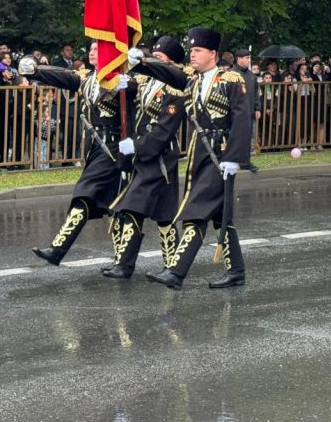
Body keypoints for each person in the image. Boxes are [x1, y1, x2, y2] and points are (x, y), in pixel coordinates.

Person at [134, 27, 252, 290]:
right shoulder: (192, 79)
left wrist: (235, 158)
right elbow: (167, 71)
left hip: (220, 153)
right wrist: (140, 64)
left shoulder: (231, 79)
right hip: (200, 150)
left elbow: (242, 119)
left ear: (213, 53)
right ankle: (236, 272)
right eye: (191, 50)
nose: (193, 55)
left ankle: (176, 271)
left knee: (195, 210)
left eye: (198, 50)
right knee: (220, 216)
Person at [23, 42, 136, 266]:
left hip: (112, 148)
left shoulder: (122, 78)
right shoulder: (87, 79)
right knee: (115, 204)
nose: (92, 53)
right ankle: (123, 261)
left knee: (85, 193)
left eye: (97, 49)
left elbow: (131, 90)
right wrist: (36, 70)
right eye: (91, 49)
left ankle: (58, 249)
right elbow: (63, 77)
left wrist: (124, 84)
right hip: (95, 147)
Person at [102, 36, 189, 280]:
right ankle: (166, 265)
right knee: (164, 214)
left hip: (159, 156)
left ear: (170, 62)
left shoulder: (175, 88)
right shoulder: (146, 81)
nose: (152, 62)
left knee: (133, 206)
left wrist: (137, 146)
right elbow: (130, 89)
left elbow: (164, 128)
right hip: (142, 155)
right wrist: (119, 83)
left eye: (158, 59)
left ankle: (129, 265)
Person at [233, 49, 261, 172]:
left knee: (247, 138)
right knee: (235, 138)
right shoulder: (232, 74)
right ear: (239, 59)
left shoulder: (251, 76)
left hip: (249, 111)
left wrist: (257, 108)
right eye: (246, 58)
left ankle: (246, 162)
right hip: (235, 113)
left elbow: (256, 94)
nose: (249, 60)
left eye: (249, 58)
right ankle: (233, 161)